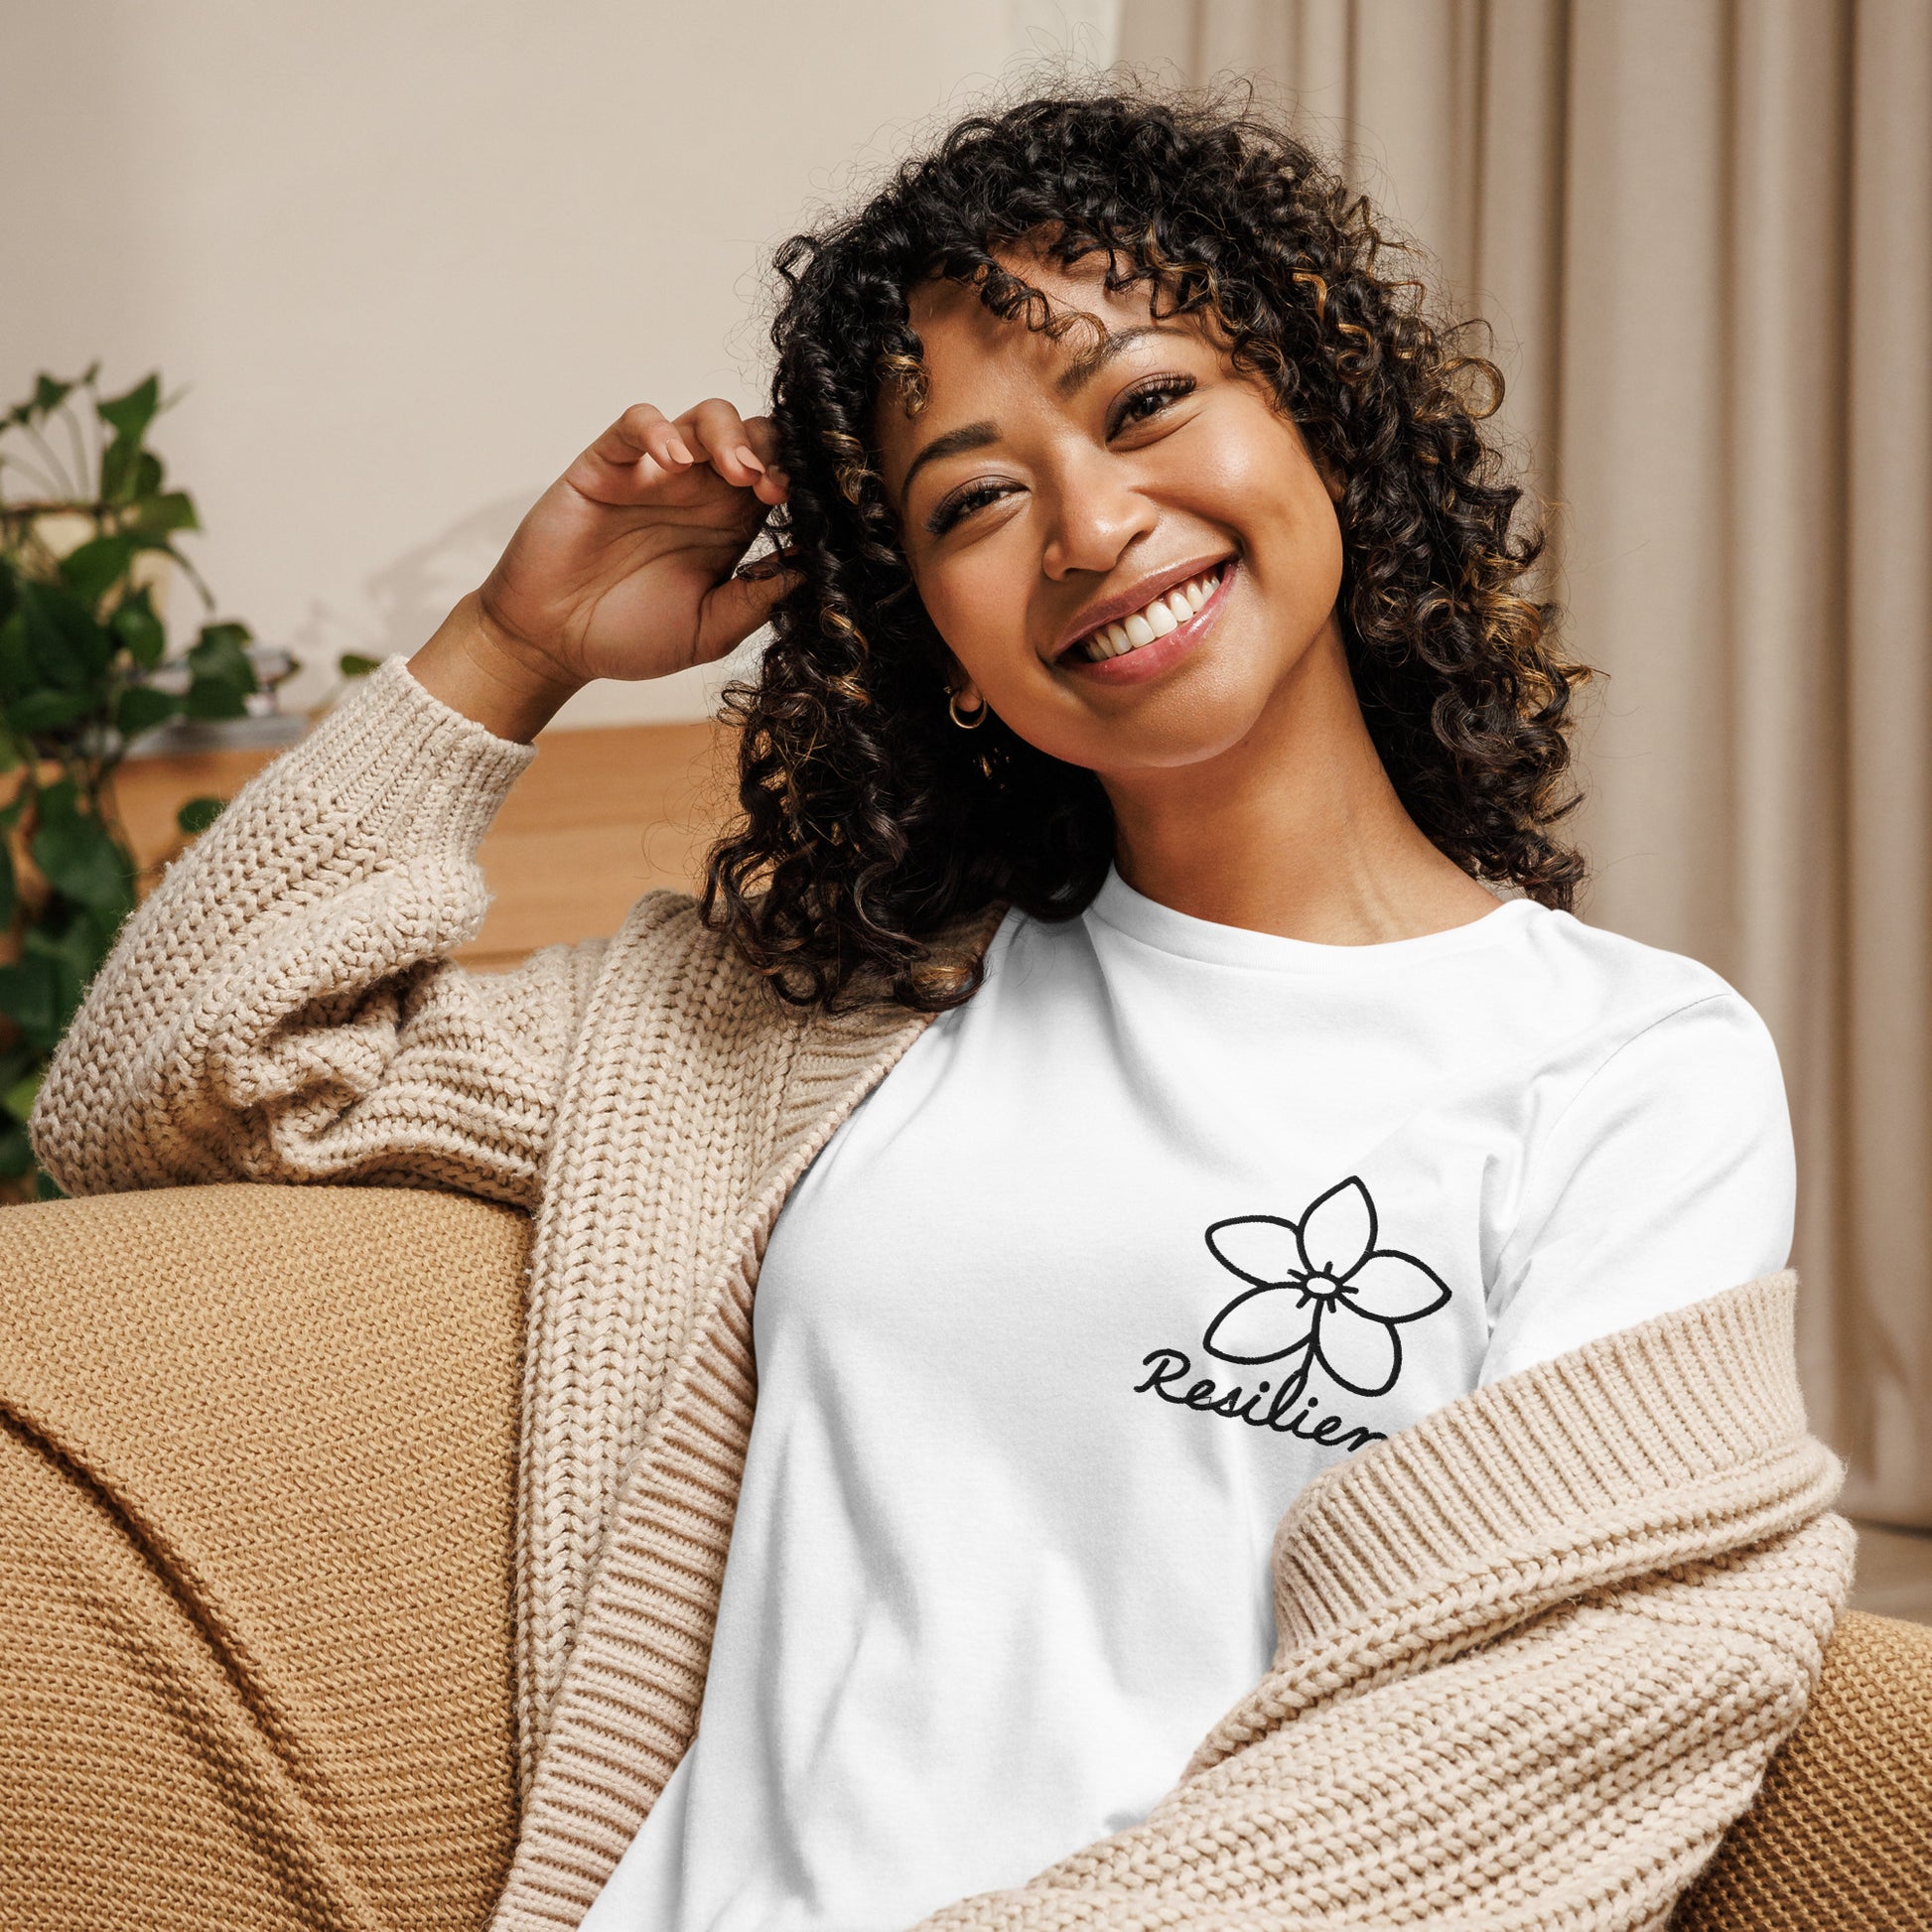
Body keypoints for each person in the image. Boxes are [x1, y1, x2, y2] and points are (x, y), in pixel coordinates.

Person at [25, 87, 1849, 1932]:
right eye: (974, 496)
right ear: (936, 636)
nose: (1086, 522)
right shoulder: (811, 1025)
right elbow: (173, 1089)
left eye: (1145, 403)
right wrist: (510, 647)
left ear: (1321, 420)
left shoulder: (1624, 1069)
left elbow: (1517, 1748)